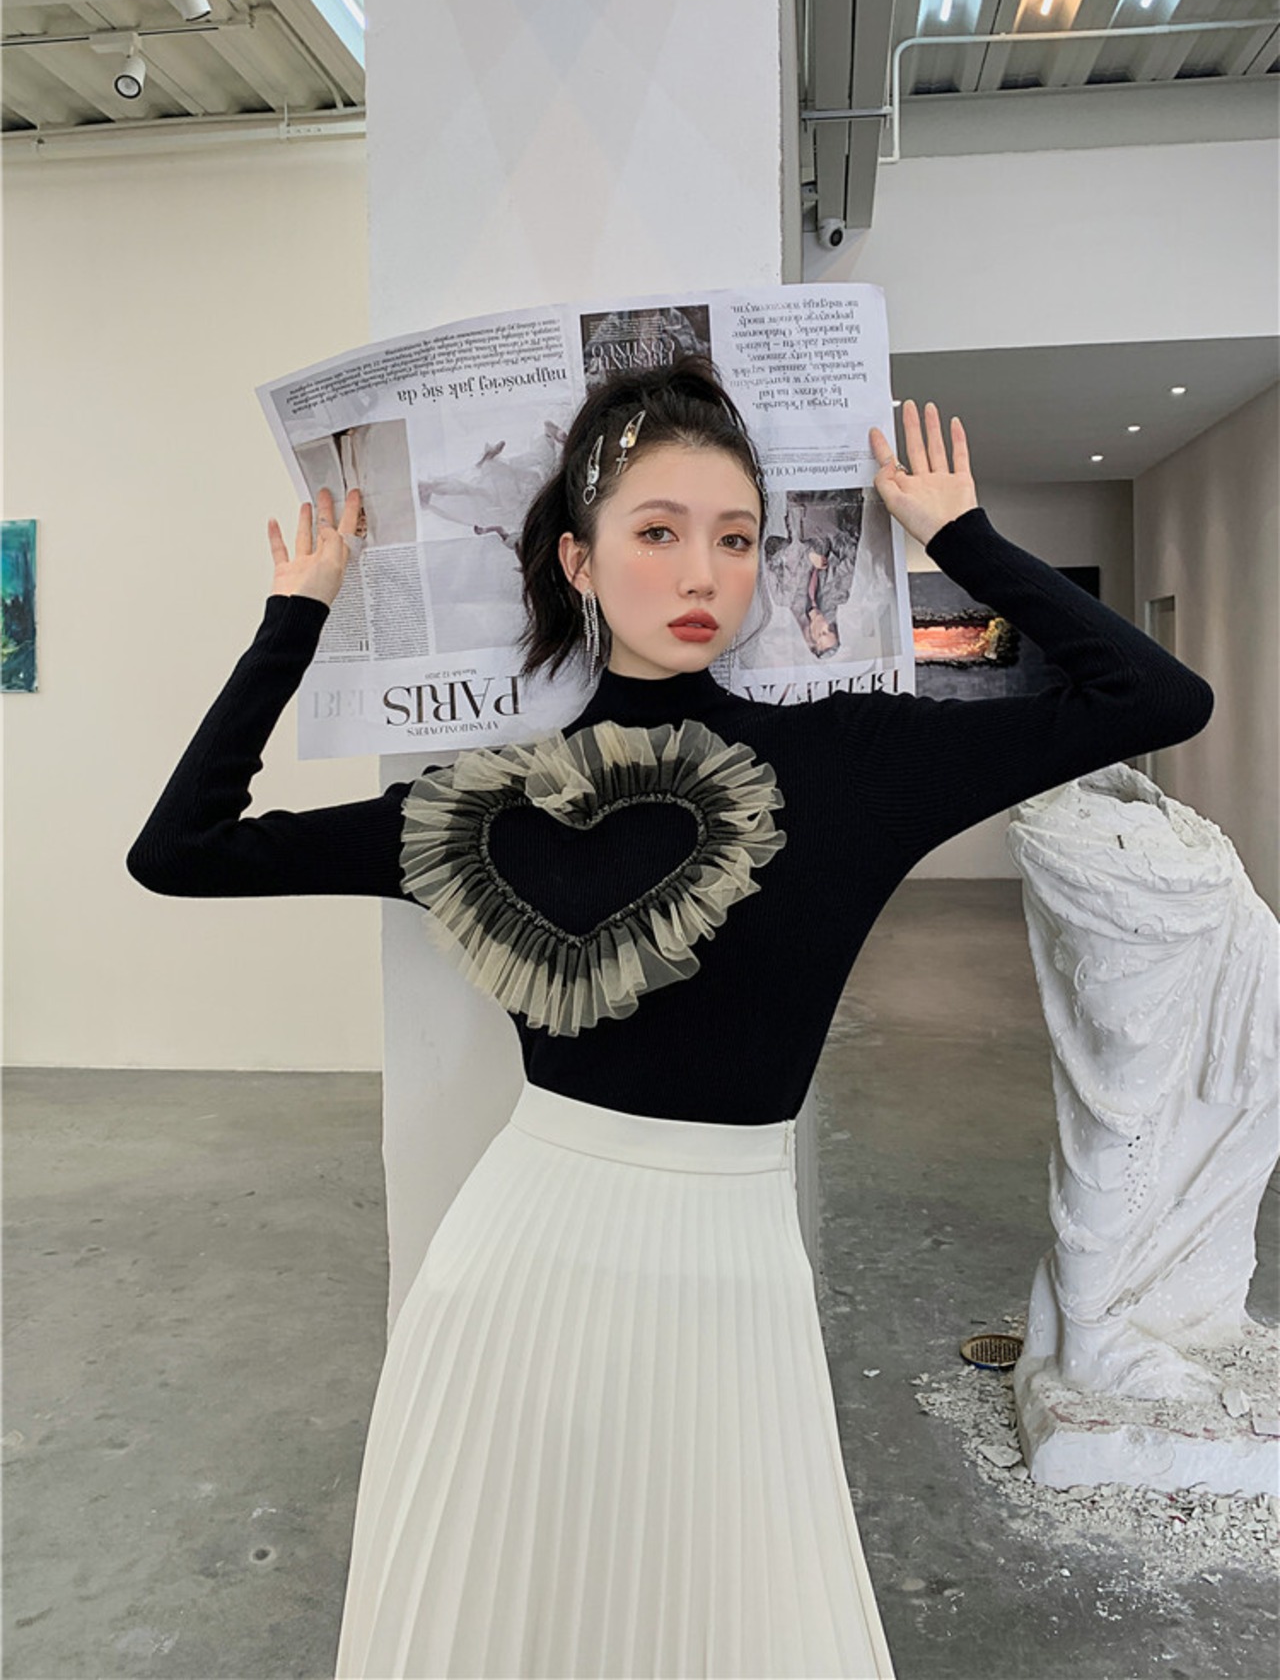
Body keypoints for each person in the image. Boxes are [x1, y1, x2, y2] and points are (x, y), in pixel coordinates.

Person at [126, 359, 1215, 1679]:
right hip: (512, 1284)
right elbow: (179, 851)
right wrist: (297, 612)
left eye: (736, 539)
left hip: (732, 1283)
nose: (704, 572)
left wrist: (963, 538)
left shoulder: (855, 764)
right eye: (658, 532)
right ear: (580, 564)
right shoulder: (486, 806)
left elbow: (1159, 701)